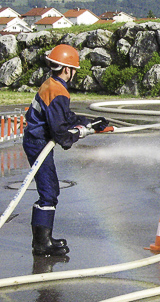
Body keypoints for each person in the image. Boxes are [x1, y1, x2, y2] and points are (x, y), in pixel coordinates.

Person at [23, 44, 108, 257]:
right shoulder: (57, 90)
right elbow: (60, 133)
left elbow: (63, 117)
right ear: (67, 69)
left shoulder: (52, 85)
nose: (74, 75)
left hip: (37, 140)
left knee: (49, 190)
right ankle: (42, 244)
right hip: (38, 143)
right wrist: (80, 133)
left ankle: (42, 241)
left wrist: (88, 122)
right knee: (49, 192)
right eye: (74, 70)